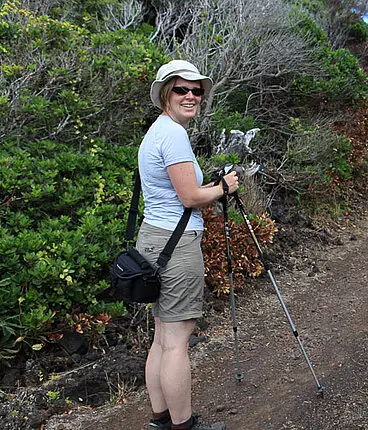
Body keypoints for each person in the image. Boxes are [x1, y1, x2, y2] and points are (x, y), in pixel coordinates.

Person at [137, 60, 238, 430]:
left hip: (152, 239)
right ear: (166, 93)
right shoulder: (174, 135)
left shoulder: (157, 131)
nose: (192, 96)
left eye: (197, 90)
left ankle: (161, 420)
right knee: (176, 342)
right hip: (176, 245)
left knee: (162, 336)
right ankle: (184, 426)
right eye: (182, 89)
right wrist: (225, 186)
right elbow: (191, 196)